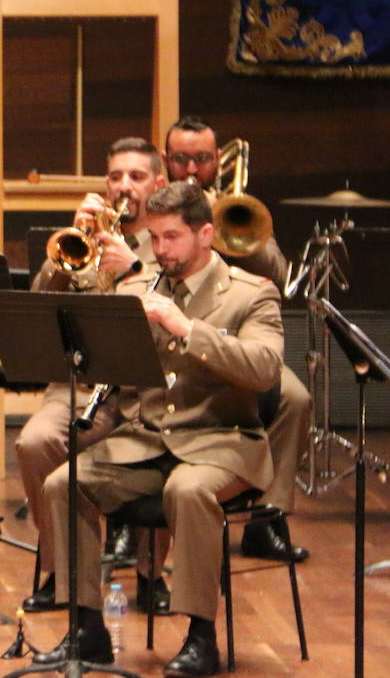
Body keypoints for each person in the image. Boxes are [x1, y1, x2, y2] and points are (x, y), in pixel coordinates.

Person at [36, 183, 283, 677]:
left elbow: (264, 369)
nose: (161, 250)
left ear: (206, 233)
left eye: (172, 237)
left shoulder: (250, 294)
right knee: (63, 483)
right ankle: (86, 630)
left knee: (189, 490)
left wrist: (188, 328)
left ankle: (200, 636)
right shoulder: (140, 289)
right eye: (155, 238)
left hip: (223, 442)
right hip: (149, 441)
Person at [15, 137, 168, 614]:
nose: (124, 186)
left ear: (157, 185)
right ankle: (60, 570)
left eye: (136, 177)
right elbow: (39, 305)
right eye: (116, 176)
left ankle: (152, 576)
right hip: (79, 385)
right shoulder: (86, 238)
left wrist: (133, 267)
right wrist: (70, 241)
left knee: (158, 443)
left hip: (142, 390)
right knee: (35, 441)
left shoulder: (166, 242)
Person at [164, 115, 311, 562]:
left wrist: (227, 223)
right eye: (183, 159)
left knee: (295, 398)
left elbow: (282, 278)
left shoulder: (238, 207)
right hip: (171, 346)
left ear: (218, 162)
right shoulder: (159, 206)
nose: (193, 170)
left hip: (237, 341)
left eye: (204, 159)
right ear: (167, 160)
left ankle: (267, 518)